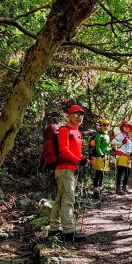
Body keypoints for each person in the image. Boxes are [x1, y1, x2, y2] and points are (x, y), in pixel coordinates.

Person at [48, 104, 89, 242]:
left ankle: (54, 229)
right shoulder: (65, 130)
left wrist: (83, 159)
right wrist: (78, 161)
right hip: (64, 169)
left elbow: (74, 151)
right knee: (68, 200)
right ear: (69, 115)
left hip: (69, 169)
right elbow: (64, 150)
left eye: (81, 115)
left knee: (60, 199)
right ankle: (69, 232)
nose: (79, 117)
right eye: (76, 114)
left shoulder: (77, 133)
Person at [111, 120, 132, 195]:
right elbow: (113, 142)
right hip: (121, 156)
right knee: (120, 172)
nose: (127, 128)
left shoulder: (128, 136)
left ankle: (124, 187)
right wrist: (121, 142)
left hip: (127, 157)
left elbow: (128, 147)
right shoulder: (121, 135)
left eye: (128, 126)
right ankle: (118, 188)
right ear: (122, 127)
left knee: (128, 172)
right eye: (125, 126)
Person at [90, 119, 111, 199]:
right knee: (98, 174)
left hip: (106, 157)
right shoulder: (99, 136)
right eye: (104, 125)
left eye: (107, 125)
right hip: (100, 157)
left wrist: (111, 149)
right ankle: (96, 191)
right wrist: (102, 154)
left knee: (102, 175)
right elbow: (97, 147)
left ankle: (100, 190)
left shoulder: (107, 136)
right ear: (101, 126)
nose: (106, 127)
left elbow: (107, 147)